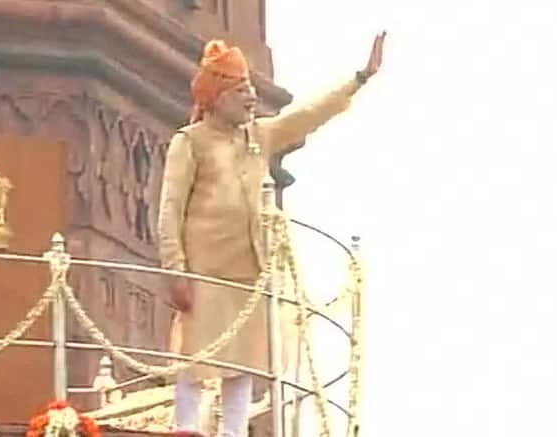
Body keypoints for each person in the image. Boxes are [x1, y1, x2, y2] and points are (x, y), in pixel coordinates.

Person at [158, 32, 386, 437]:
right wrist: (175, 270)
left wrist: (360, 78)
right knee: (196, 354)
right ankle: (185, 426)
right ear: (216, 96)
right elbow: (170, 209)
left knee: (247, 359)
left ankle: (233, 431)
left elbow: (308, 116)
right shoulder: (189, 142)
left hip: (253, 269)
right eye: (241, 90)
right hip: (205, 269)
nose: (250, 98)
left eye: (250, 90)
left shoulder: (258, 137)